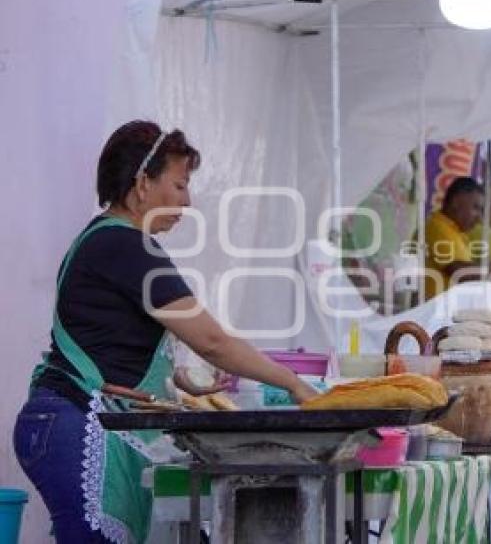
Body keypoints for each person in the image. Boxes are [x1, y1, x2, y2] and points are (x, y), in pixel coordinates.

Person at [13, 120, 318, 543]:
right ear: (143, 183)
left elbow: (114, 341)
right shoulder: (125, 245)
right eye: (179, 185)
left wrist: (182, 381)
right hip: (71, 423)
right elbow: (212, 340)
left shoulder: (109, 242)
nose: (187, 201)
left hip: (60, 419)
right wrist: (295, 384)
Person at [423, 176, 484, 299]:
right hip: (432, 313)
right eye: (476, 208)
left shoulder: (456, 231)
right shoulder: (437, 227)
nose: (479, 218)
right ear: (456, 202)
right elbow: (461, 272)